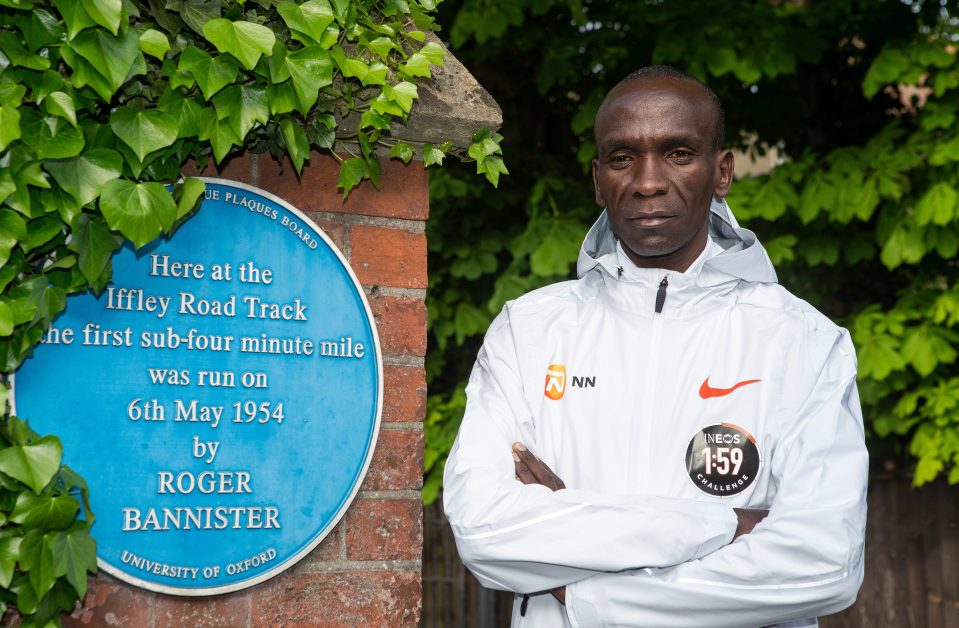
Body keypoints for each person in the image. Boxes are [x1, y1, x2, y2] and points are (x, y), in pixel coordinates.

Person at [442, 65, 868, 628]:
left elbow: (822, 563)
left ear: (722, 172)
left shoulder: (802, 342)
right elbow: (483, 528)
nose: (647, 181)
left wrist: (587, 589)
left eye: (677, 153)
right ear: (598, 179)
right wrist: (725, 525)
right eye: (623, 158)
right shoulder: (529, 331)